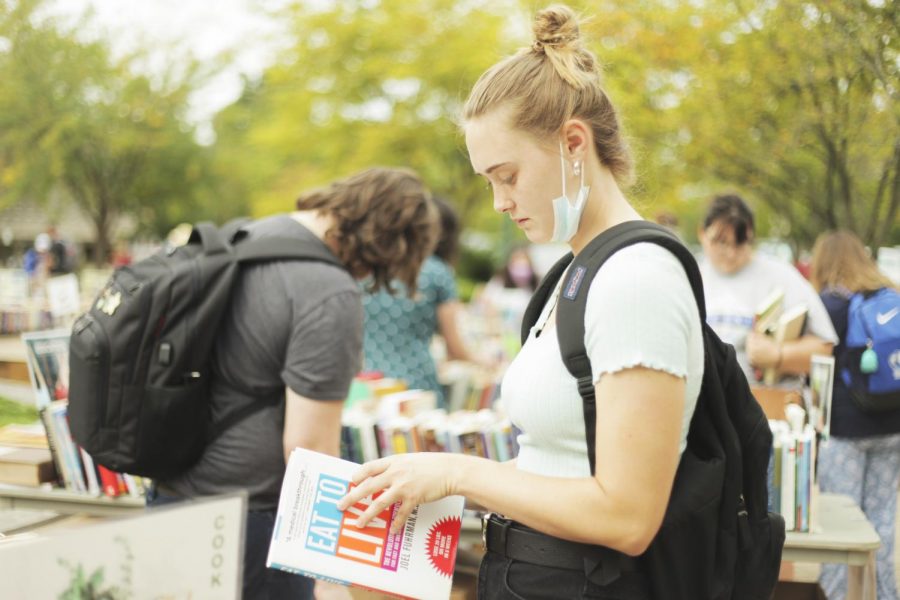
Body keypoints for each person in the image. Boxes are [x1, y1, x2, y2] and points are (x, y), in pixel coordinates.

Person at [338, 5, 704, 598]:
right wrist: (426, 478)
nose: (498, 202)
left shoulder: (635, 279)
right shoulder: (579, 272)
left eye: (507, 175)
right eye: (488, 181)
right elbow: (558, 468)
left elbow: (628, 516)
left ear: (574, 143)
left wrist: (459, 471)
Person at [149, 167, 439, 600]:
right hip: (251, 522)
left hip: (170, 493)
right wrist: (340, 572)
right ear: (388, 245)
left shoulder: (244, 237)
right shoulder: (327, 291)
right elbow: (309, 449)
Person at [809, 230, 900, 600]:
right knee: (881, 523)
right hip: (893, 427)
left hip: (845, 432)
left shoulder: (829, 304)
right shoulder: (890, 297)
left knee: (839, 532)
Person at [697, 193, 837, 385]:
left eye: (741, 243)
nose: (731, 253)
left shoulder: (781, 276)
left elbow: (824, 349)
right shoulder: (688, 277)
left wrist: (778, 355)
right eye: (722, 242)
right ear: (702, 234)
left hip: (766, 407)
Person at [361, 196, 473, 407]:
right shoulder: (437, 272)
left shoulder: (368, 266)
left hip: (368, 384)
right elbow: (455, 348)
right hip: (416, 383)